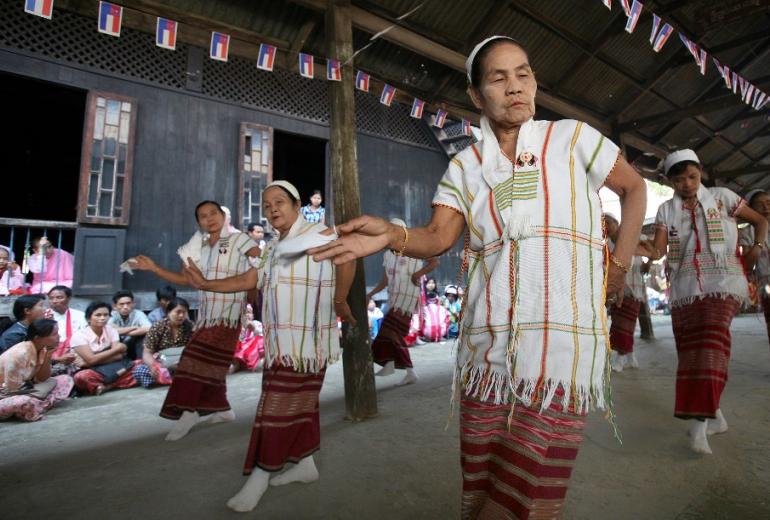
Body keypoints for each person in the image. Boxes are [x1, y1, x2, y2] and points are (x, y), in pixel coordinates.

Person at [309, 36, 647, 519]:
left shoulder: (572, 138)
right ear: (476, 96)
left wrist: (619, 264)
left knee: (513, 502)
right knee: (484, 487)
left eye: (523, 74)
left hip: (559, 355)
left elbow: (634, 189)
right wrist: (390, 234)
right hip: (486, 357)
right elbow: (436, 237)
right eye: (499, 77)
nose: (515, 87)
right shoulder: (465, 167)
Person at [183, 180, 355, 514]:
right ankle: (305, 464)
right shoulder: (275, 246)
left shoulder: (320, 234)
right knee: (298, 405)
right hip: (280, 342)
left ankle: (261, 474)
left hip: (308, 342)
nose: (272, 209)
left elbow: (347, 260)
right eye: (266, 205)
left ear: (296, 205)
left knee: (275, 408)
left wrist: (339, 299)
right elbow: (250, 280)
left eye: (279, 202)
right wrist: (206, 283)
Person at [646, 149, 767, 455]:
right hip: (685, 290)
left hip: (723, 283)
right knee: (691, 354)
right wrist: (634, 249)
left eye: (692, 177)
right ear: (669, 181)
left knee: (711, 346)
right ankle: (717, 417)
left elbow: (759, 221)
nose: (686, 184)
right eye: (679, 180)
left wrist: (756, 246)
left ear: (700, 174)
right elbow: (659, 250)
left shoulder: (723, 197)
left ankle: (698, 427)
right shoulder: (665, 211)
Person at [131, 200, 260, 441]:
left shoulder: (239, 239)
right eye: (203, 216)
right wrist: (155, 268)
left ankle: (188, 411)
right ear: (198, 222)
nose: (209, 218)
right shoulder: (199, 245)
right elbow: (186, 279)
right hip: (207, 315)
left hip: (229, 315)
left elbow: (262, 262)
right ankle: (222, 409)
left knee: (192, 359)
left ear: (224, 216)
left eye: (214, 213)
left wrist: (250, 284)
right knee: (210, 363)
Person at [366, 218, 439, 386]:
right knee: (386, 333)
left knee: (391, 332)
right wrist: (371, 293)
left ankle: (409, 371)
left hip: (407, 299)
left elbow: (435, 261)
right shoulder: (387, 254)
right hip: (393, 298)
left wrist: (417, 274)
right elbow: (385, 280)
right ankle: (389, 364)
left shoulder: (414, 248)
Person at [0, 319, 74, 421]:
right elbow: (12, 390)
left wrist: (48, 356)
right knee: (24, 401)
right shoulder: (20, 354)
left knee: (65, 380)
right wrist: (38, 393)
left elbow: (42, 378)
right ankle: (39, 404)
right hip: (7, 395)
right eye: (54, 334)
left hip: (27, 389)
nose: (59, 337)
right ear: (38, 338)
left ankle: (37, 405)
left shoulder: (42, 348)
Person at [604, 215, 651, 372]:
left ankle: (620, 358)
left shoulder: (634, 236)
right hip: (617, 290)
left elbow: (651, 250)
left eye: (609, 222)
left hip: (634, 289)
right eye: (603, 224)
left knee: (626, 325)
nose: (606, 226)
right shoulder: (607, 246)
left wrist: (648, 263)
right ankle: (630, 357)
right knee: (619, 324)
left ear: (617, 223)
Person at [70, 301, 137, 396]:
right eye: (98, 315)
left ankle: (108, 386)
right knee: (81, 377)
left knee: (140, 365)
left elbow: (118, 357)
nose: (102, 318)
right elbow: (91, 360)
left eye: (106, 315)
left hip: (113, 366)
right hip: (93, 371)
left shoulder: (111, 330)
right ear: (89, 318)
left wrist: (88, 361)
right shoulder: (79, 336)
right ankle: (115, 383)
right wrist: (117, 349)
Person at [133, 297, 193, 388]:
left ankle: (172, 378)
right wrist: (152, 366)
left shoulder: (190, 326)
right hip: (162, 359)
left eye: (184, 313)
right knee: (140, 370)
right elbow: (147, 352)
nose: (181, 315)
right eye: (178, 312)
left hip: (182, 360)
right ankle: (170, 378)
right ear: (168, 312)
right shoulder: (158, 326)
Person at [739, 189, 770, 346]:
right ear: (751, 210)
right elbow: (748, 264)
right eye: (760, 205)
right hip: (767, 284)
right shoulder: (747, 233)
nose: (766, 208)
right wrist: (759, 242)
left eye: (768, 203)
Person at [47, 285, 87, 376]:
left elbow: (85, 337)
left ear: (69, 298)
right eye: (51, 298)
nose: (54, 301)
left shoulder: (80, 315)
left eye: (59, 297)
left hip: (75, 352)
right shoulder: (44, 316)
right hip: (51, 354)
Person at [109, 290, 151, 361]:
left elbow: (149, 328)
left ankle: (140, 362)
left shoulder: (138, 314)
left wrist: (122, 331)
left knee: (143, 336)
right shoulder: (111, 315)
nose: (125, 307)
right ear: (115, 306)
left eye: (128, 303)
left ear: (133, 304)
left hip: (132, 346)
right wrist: (133, 328)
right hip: (116, 347)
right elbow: (108, 330)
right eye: (121, 304)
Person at [231, 304, 264, 373]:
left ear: (253, 315)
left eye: (248, 312)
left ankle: (259, 363)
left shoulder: (256, 323)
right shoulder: (239, 326)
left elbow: (263, 333)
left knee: (260, 339)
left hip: (253, 350)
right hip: (241, 350)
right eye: (244, 313)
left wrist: (254, 328)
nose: (246, 315)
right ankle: (235, 365)